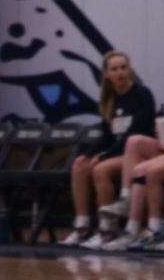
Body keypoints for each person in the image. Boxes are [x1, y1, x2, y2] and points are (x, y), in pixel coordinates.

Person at [94, 54, 164, 251]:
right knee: (139, 168)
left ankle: (158, 229)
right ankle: (133, 229)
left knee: (144, 166)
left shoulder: (142, 94)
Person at [60, 50, 155, 249]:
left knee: (100, 169)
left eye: (123, 68)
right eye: (115, 69)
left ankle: (107, 228)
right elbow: (105, 136)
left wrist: (104, 156)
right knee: (79, 166)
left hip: (137, 155)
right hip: (115, 152)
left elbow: (133, 133)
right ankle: (82, 226)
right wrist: (87, 155)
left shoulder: (142, 94)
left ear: (129, 70)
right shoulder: (108, 101)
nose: (120, 72)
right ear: (106, 74)